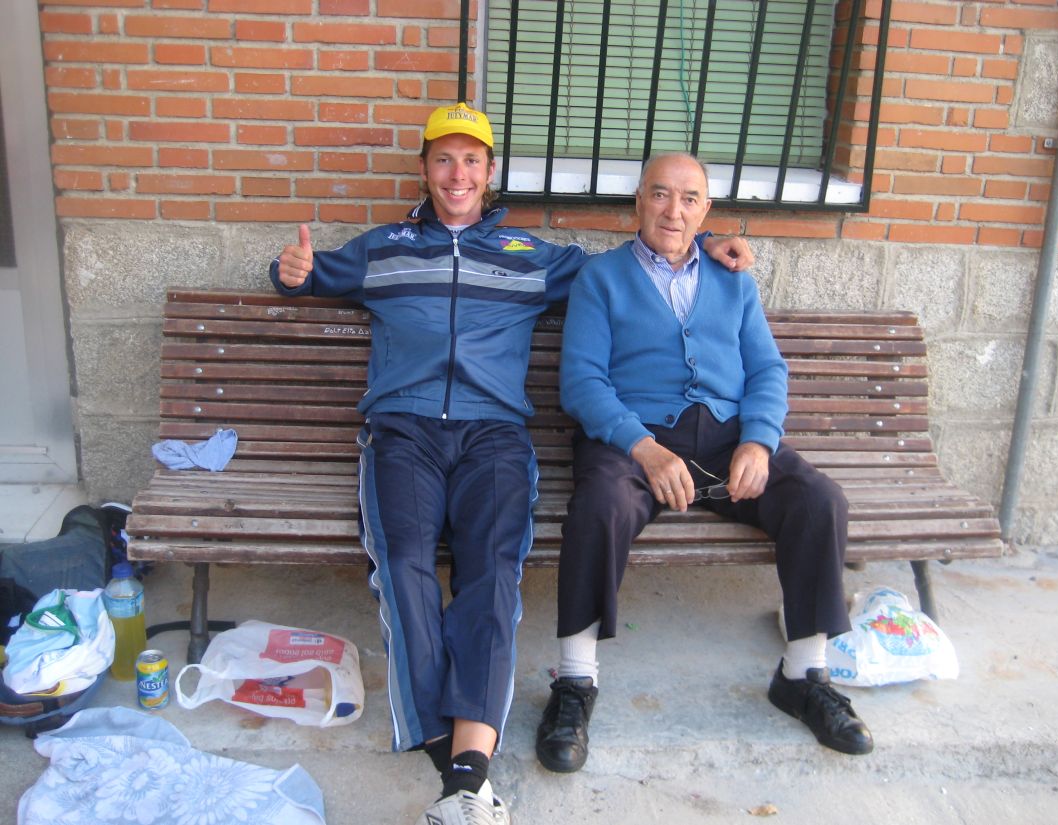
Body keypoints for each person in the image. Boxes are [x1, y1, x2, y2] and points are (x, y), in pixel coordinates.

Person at [270, 105, 754, 824]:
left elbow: (646, 254)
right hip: (403, 433)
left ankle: (464, 774)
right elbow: (309, 275)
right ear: (425, 169)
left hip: (494, 437)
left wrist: (707, 239)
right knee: (402, 562)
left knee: (492, 571)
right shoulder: (384, 248)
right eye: (443, 159)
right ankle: (458, 765)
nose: (457, 174)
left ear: (490, 171)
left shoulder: (534, 255)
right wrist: (290, 273)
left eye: (471, 160)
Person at [535, 152, 874, 776]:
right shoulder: (601, 279)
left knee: (818, 500)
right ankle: (575, 682)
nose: (674, 210)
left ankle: (803, 673)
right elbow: (582, 383)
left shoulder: (734, 280)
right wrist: (643, 447)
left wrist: (759, 441)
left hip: (726, 442)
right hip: (633, 441)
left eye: (689, 198)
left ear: (706, 210)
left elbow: (767, 369)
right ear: (638, 201)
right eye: (660, 194)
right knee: (600, 506)